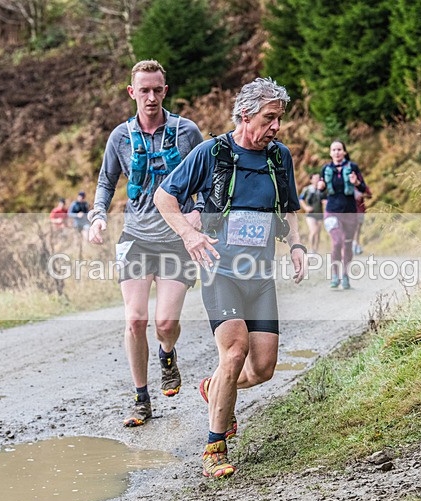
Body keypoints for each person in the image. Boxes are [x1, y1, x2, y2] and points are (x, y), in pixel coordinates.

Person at [155, 77, 306, 478]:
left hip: (259, 275)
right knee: (234, 351)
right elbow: (164, 197)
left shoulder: (279, 158)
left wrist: (296, 245)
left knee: (262, 369)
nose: (276, 126)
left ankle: (212, 388)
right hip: (220, 271)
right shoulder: (213, 153)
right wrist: (188, 234)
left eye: (279, 119)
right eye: (269, 118)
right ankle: (214, 448)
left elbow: (289, 207)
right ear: (245, 115)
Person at [87, 59, 204, 428]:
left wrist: (199, 210)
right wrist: (98, 215)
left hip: (176, 239)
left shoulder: (186, 132)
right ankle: (141, 399)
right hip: (136, 237)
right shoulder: (120, 137)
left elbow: (205, 176)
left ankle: (167, 354)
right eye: (144, 90)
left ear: (165, 91)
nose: (150, 97)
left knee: (164, 323)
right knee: (135, 319)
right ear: (132, 92)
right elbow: (106, 181)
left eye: (157, 89)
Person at [317, 140, 368, 289]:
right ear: (330, 152)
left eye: (339, 149)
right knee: (337, 241)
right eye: (334, 150)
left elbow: (363, 188)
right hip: (332, 211)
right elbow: (321, 193)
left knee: (347, 246)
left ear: (344, 152)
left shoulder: (353, 167)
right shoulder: (325, 169)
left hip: (349, 212)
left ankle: (345, 275)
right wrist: (320, 188)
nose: (337, 152)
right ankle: (335, 274)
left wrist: (356, 182)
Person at [298, 173, 324, 253]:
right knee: (313, 231)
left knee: (318, 233)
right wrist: (306, 207)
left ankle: (316, 249)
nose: (317, 180)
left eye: (318, 178)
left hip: (319, 213)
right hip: (310, 214)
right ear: (311, 180)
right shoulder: (307, 189)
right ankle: (311, 249)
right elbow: (301, 199)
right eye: (315, 178)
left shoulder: (322, 189)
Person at [352, 183, 372, 255]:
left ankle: (356, 245)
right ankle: (355, 245)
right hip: (350, 209)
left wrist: (362, 195)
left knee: (358, 228)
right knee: (354, 228)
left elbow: (369, 195)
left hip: (360, 209)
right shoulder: (347, 184)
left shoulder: (362, 186)